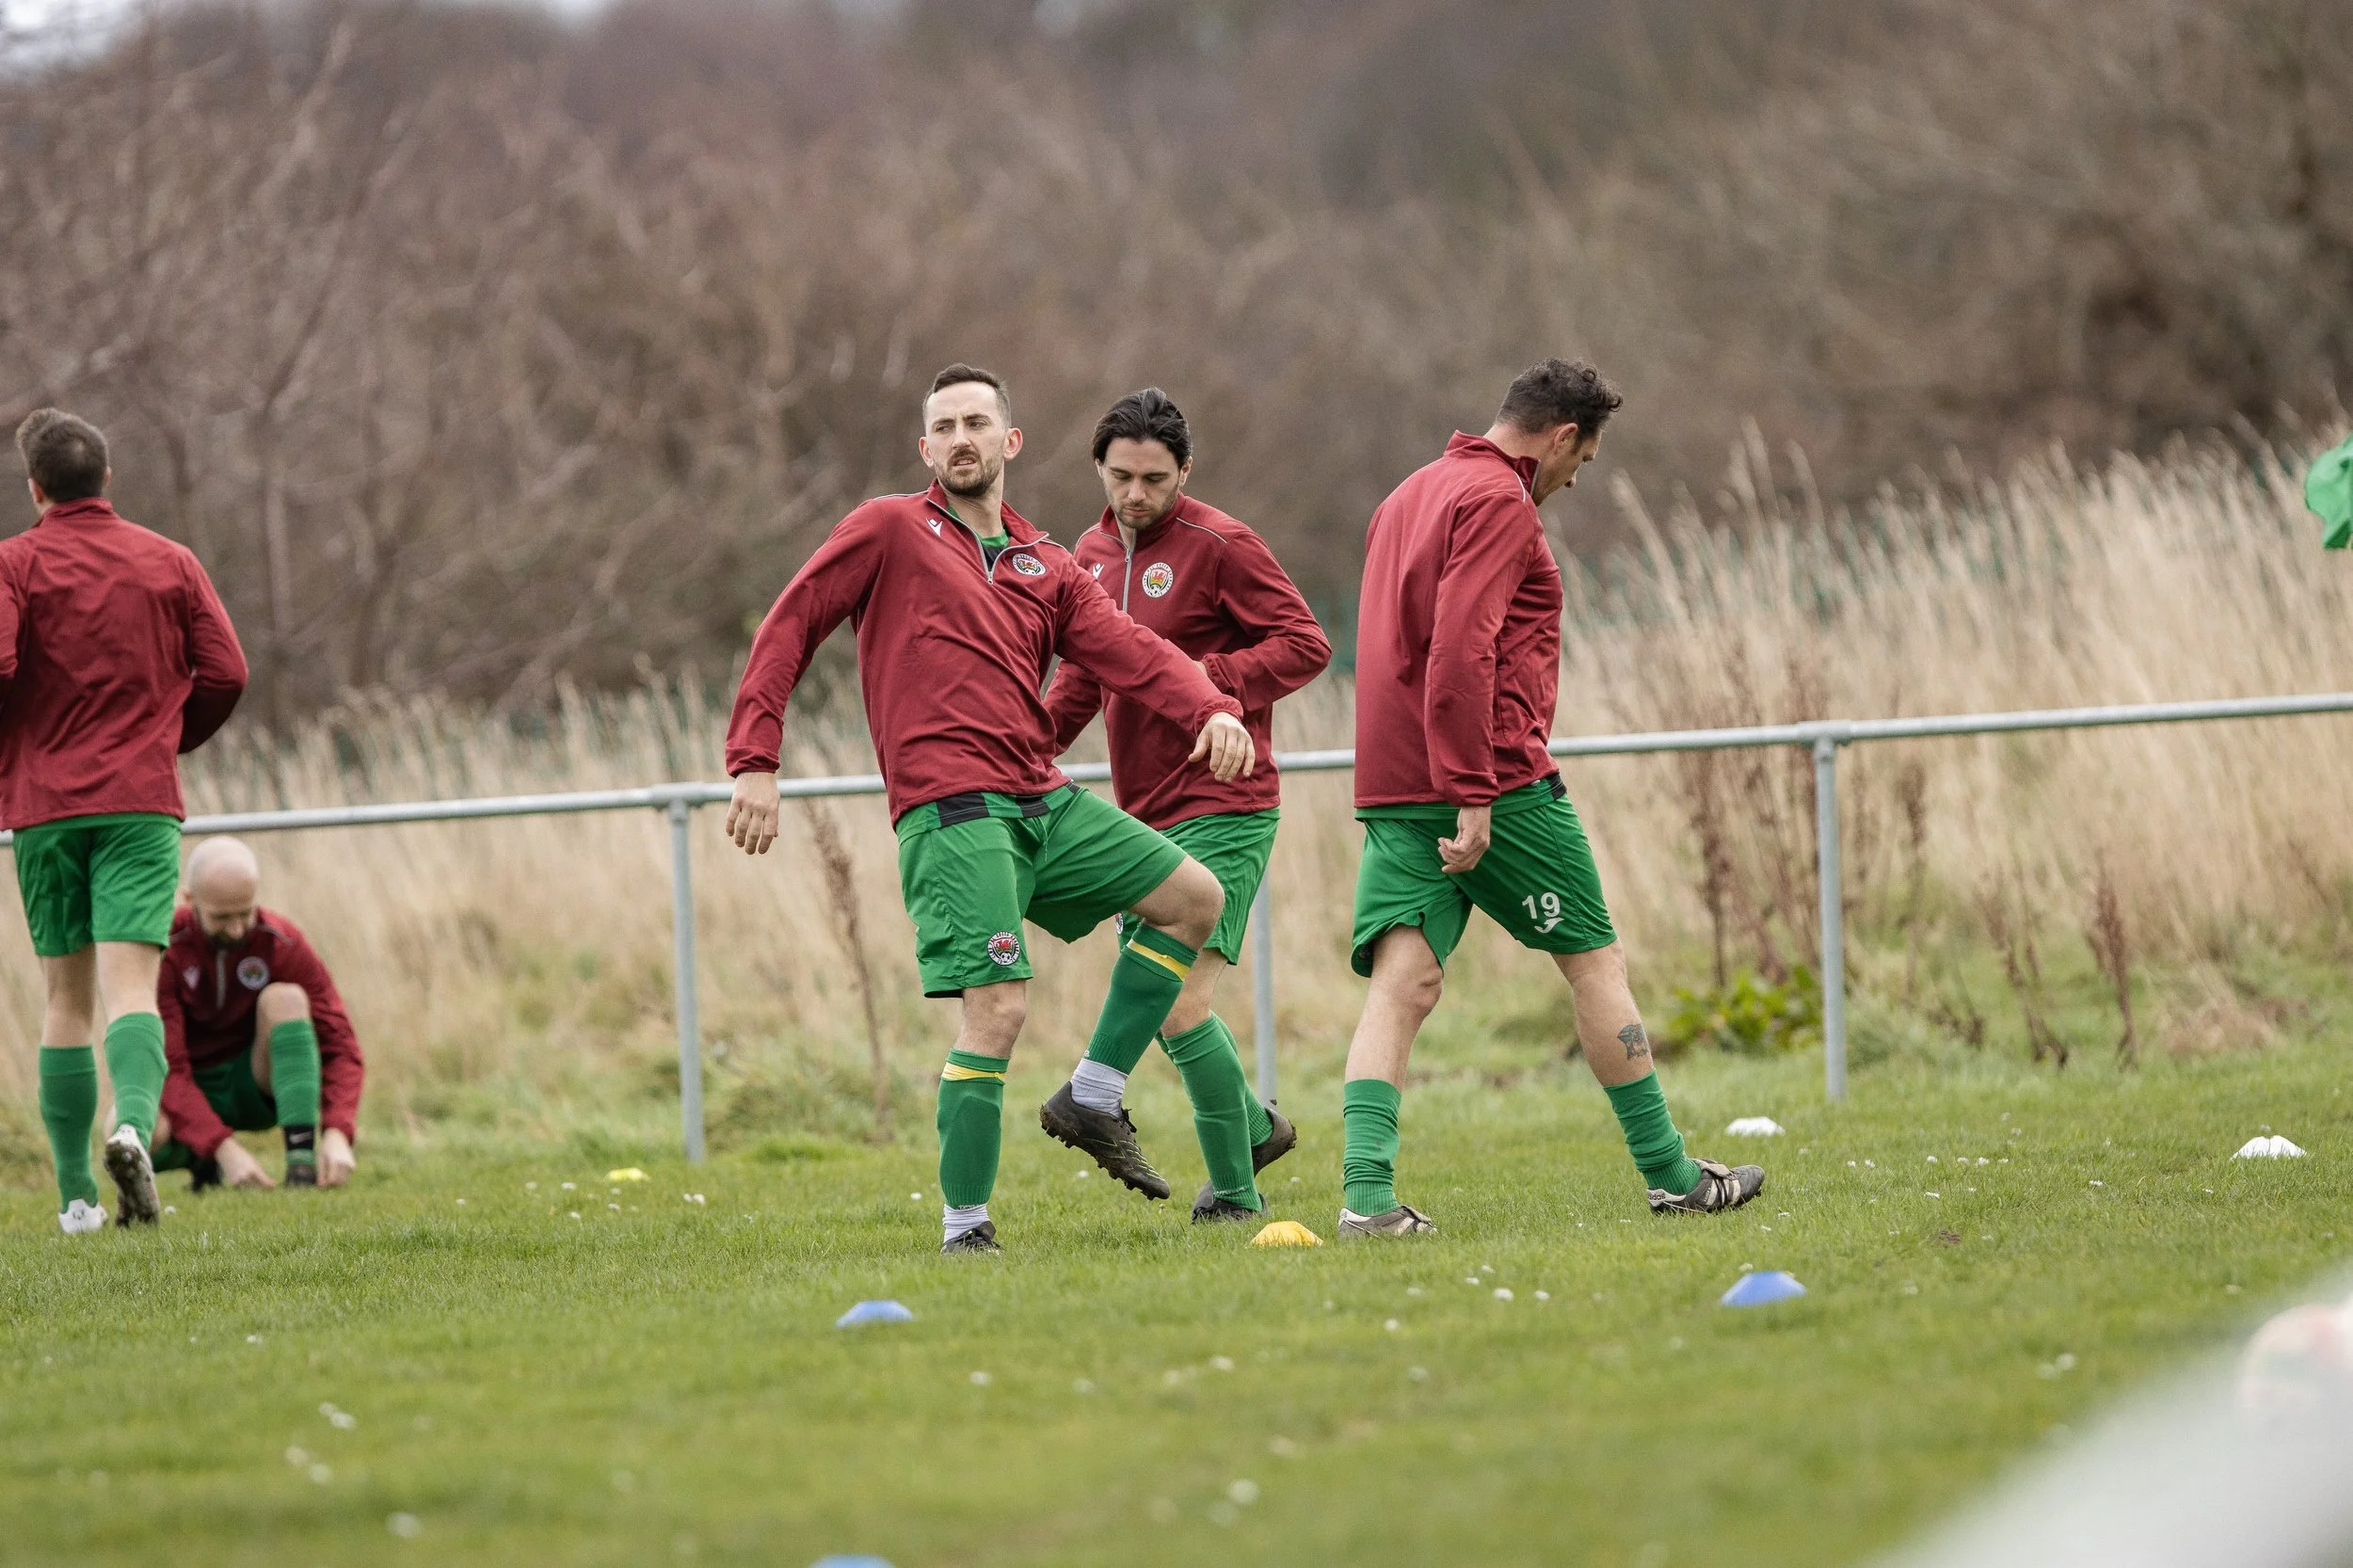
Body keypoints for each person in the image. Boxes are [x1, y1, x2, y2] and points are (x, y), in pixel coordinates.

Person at [723, 365, 1256, 1255]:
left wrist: (1212, 707)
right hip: (953, 807)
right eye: (945, 426)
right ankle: (965, 1228)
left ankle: (1091, 1089)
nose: (961, 438)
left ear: (1010, 441)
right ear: (925, 448)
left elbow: (1129, 652)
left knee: (1197, 899)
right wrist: (754, 761)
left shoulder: (1047, 564)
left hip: (1042, 797)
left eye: (978, 422)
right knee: (999, 1009)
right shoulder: (887, 528)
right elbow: (790, 623)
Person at [1337, 360, 1765, 1238]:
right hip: (1488, 778)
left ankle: (1367, 1202)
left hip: (1390, 782)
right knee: (1594, 963)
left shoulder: (1407, 494)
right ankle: (1675, 1178)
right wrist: (1473, 789)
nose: (1576, 478)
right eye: (1585, 460)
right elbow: (1461, 651)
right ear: (1562, 437)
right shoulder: (1499, 501)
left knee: (1402, 982)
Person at [1042, 389, 1331, 1222]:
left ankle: (1234, 1200)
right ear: (1098, 467)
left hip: (1228, 800)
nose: (1135, 495)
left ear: (1185, 473)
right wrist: (1021, 749)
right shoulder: (1087, 555)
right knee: (1169, 1008)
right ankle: (1253, 1131)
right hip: (1144, 811)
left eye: (1155, 480)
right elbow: (1083, 683)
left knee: (1176, 1000)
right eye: (1121, 477)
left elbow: (1306, 644)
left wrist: (1213, 685)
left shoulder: (1222, 543)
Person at [2, 409, 247, 1232]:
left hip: (43, 809)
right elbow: (226, 670)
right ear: (107, 478)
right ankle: (135, 1128)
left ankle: (76, 1198)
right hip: (141, 803)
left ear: (35, 488)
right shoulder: (170, 560)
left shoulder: (13, 566)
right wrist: (168, 739)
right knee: (132, 988)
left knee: (64, 1000)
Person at [152, 837, 364, 1190]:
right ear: (190, 901)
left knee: (287, 1000)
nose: (237, 929)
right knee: (127, 1131)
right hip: (188, 1086)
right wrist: (222, 1147)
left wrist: (338, 1129)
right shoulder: (163, 947)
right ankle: (204, 1160)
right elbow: (165, 1067)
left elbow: (340, 1043)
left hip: (253, 1084)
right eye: (222, 917)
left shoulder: (281, 941)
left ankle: (301, 1168)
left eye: (245, 913)